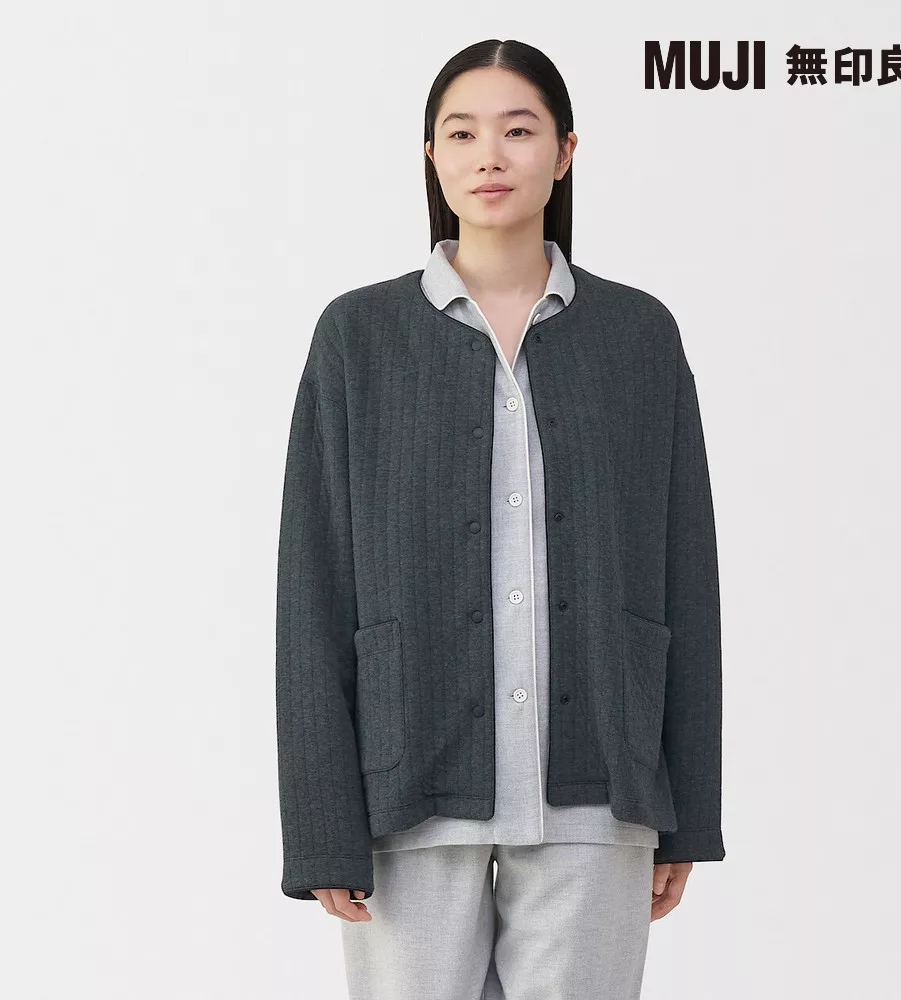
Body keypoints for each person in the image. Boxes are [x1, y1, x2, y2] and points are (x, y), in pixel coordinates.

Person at [275, 38, 725, 1000]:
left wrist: (690, 809)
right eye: (461, 133)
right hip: (408, 783)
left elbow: (686, 575)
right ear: (430, 157)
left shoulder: (638, 337)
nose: (489, 156)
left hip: (600, 784)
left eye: (518, 131)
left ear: (565, 152)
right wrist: (320, 825)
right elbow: (313, 583)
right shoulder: (359, 337)